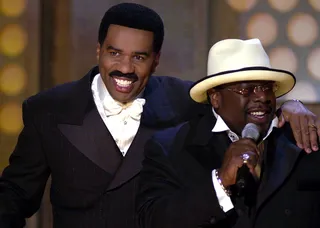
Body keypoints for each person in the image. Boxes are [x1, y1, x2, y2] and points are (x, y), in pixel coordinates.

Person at [0, 3, 318, 228]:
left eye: (139, 57)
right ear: (98, 50)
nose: (125, 68)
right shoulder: (49, 109)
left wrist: (290, 106)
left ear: (156, 60)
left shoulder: (186, 99)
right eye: (115, 53)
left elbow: (244, 100)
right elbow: (15, 196)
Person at [137, 38, 320, 228]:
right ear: (215, 97)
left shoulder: (304, 139)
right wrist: (220, 182)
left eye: (267, 87)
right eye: (246, 89)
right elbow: (152, 220)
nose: (263, 97)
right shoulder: (170, 148)